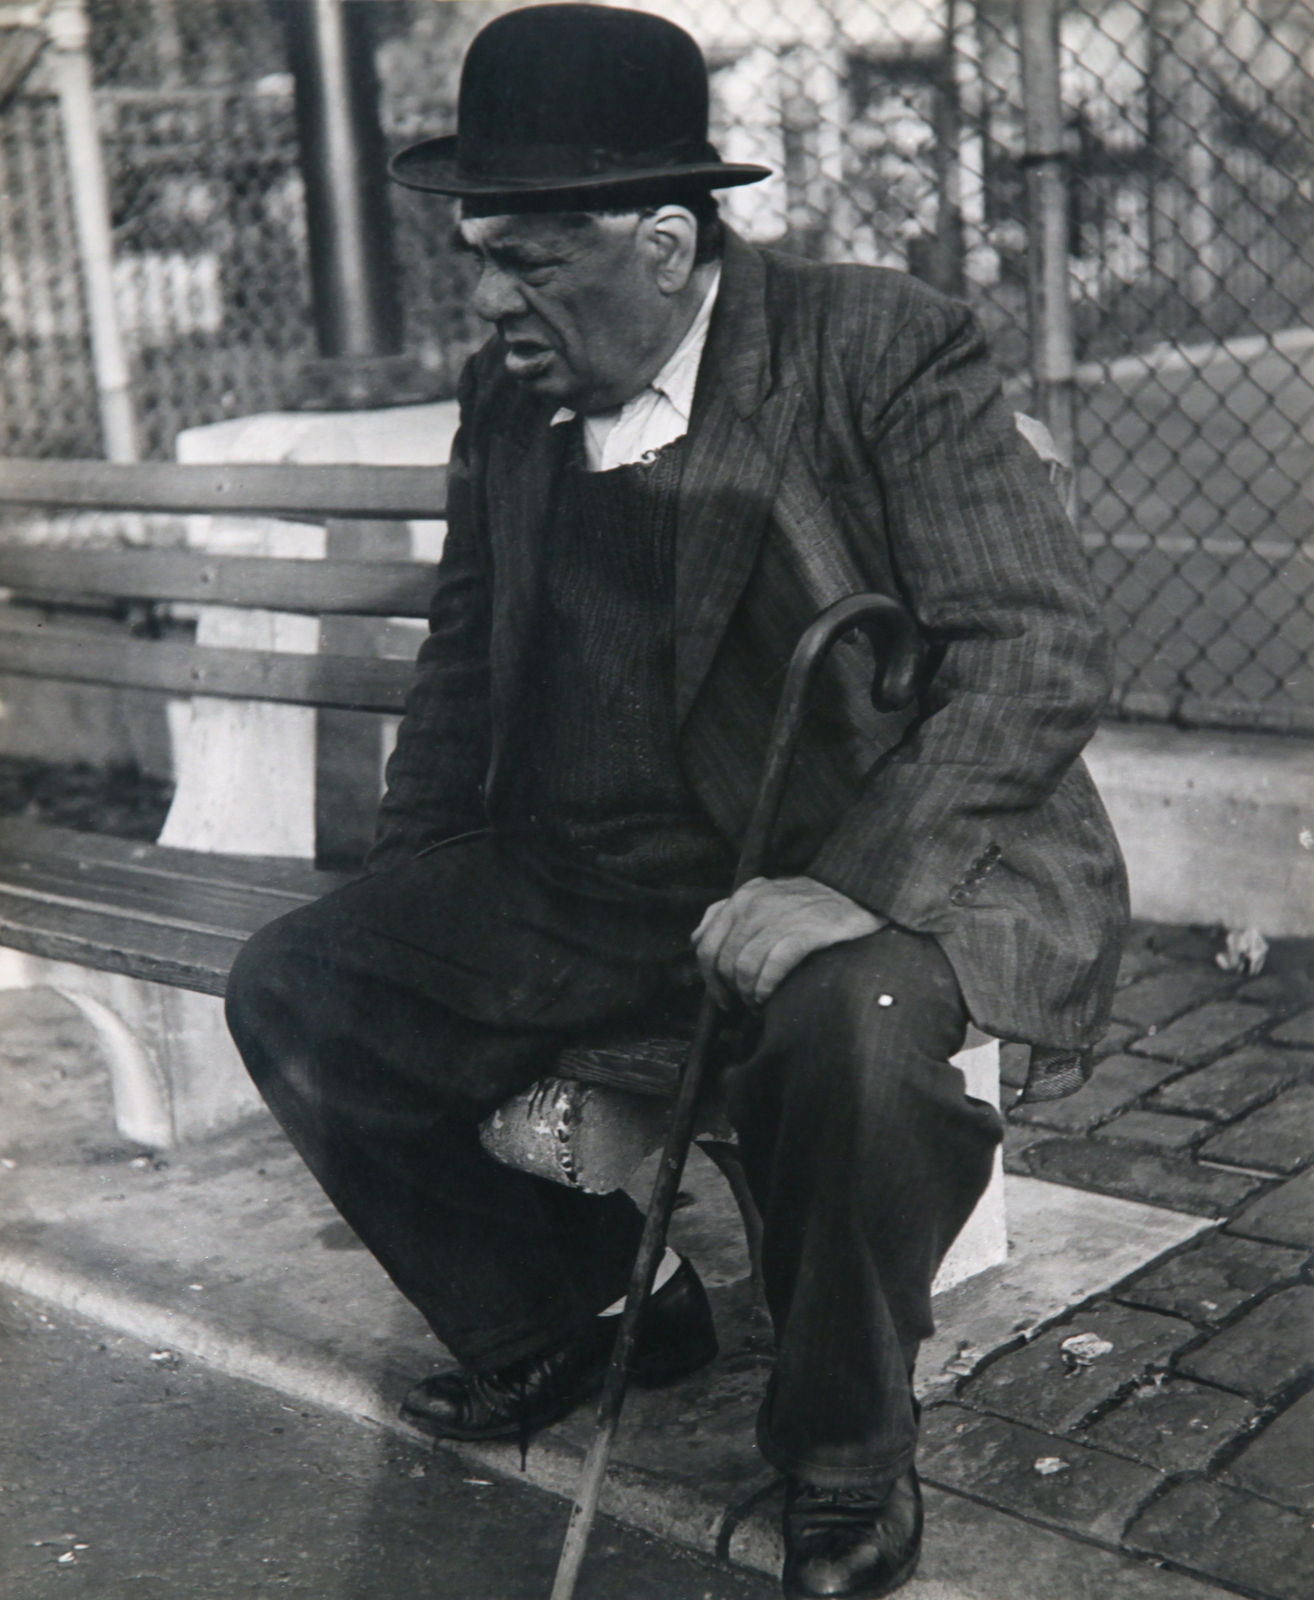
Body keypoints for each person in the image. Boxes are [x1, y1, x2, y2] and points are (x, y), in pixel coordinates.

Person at [224, 7, 1128, 1596]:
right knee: (300, 986)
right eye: (477, 256)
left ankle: (845, 1451)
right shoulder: (507, 396)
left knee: (852, 1035)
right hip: (598, 870)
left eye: (530, 262)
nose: (490, 300)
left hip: (860, 849)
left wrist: (855, 885)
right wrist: (418, 888)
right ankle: (579, 1317)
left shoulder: (878, 346)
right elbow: (463, 664)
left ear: (661, 239)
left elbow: (1034, 650)